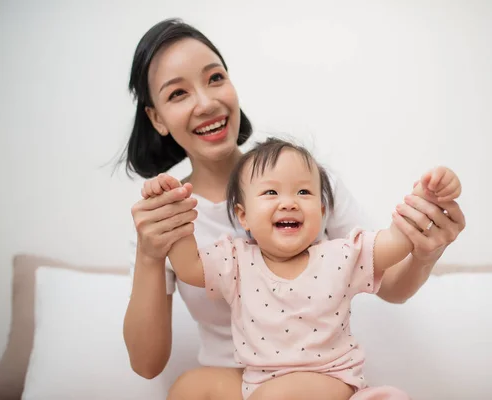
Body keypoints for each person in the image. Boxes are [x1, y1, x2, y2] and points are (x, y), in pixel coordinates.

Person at [121, 18, 466, 400]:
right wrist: (151, 251)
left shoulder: (307, 183)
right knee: (186, 389)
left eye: (215, 78)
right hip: (243, 380)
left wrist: (422, 241)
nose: (206, 102)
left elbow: (386, 265)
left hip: (317, 376)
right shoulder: (170, 220)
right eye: (177, 94)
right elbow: (148, 362)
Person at [143, 137, 462, 399]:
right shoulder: (236, 260)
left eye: (304, 192)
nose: (289, 202)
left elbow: (393, 242)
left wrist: (426, 202)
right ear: (243, 216)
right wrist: (174, 214)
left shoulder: (341, 255)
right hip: (258, 383)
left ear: (322, 211)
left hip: (329, 379)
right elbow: (188, 267)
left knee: (278, 397)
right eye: (271, 192)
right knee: (188, 388)